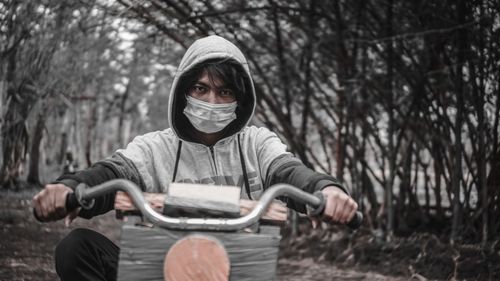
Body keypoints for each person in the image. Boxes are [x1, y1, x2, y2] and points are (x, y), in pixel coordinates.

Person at [33, 35, 358, 281]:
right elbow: (114, 171)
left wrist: (325, 191)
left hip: (237, 270)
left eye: (225, 92)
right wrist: (71, 188)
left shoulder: (256, 143)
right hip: (162, 268)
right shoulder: (154, 147)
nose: (212, 100)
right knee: (76, 249)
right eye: (201, 89)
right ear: (183, 91)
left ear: (239, 99)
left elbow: (288, 171)